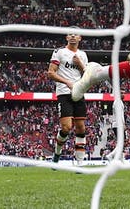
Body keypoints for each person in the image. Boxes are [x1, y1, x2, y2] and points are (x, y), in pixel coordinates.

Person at [47, 32, 89, 165]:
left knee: (81, 128)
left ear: (80, 38)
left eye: (75, 35)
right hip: (64, 93)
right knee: (66, 127)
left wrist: (80, 64)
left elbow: (88, 75)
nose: (73, 36)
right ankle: (57, 152)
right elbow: (51, 73)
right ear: (66, 38)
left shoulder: (83, 55)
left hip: (79, 93)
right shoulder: (59, 52)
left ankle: (80, 162)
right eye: (70, 34)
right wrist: (67, 82)